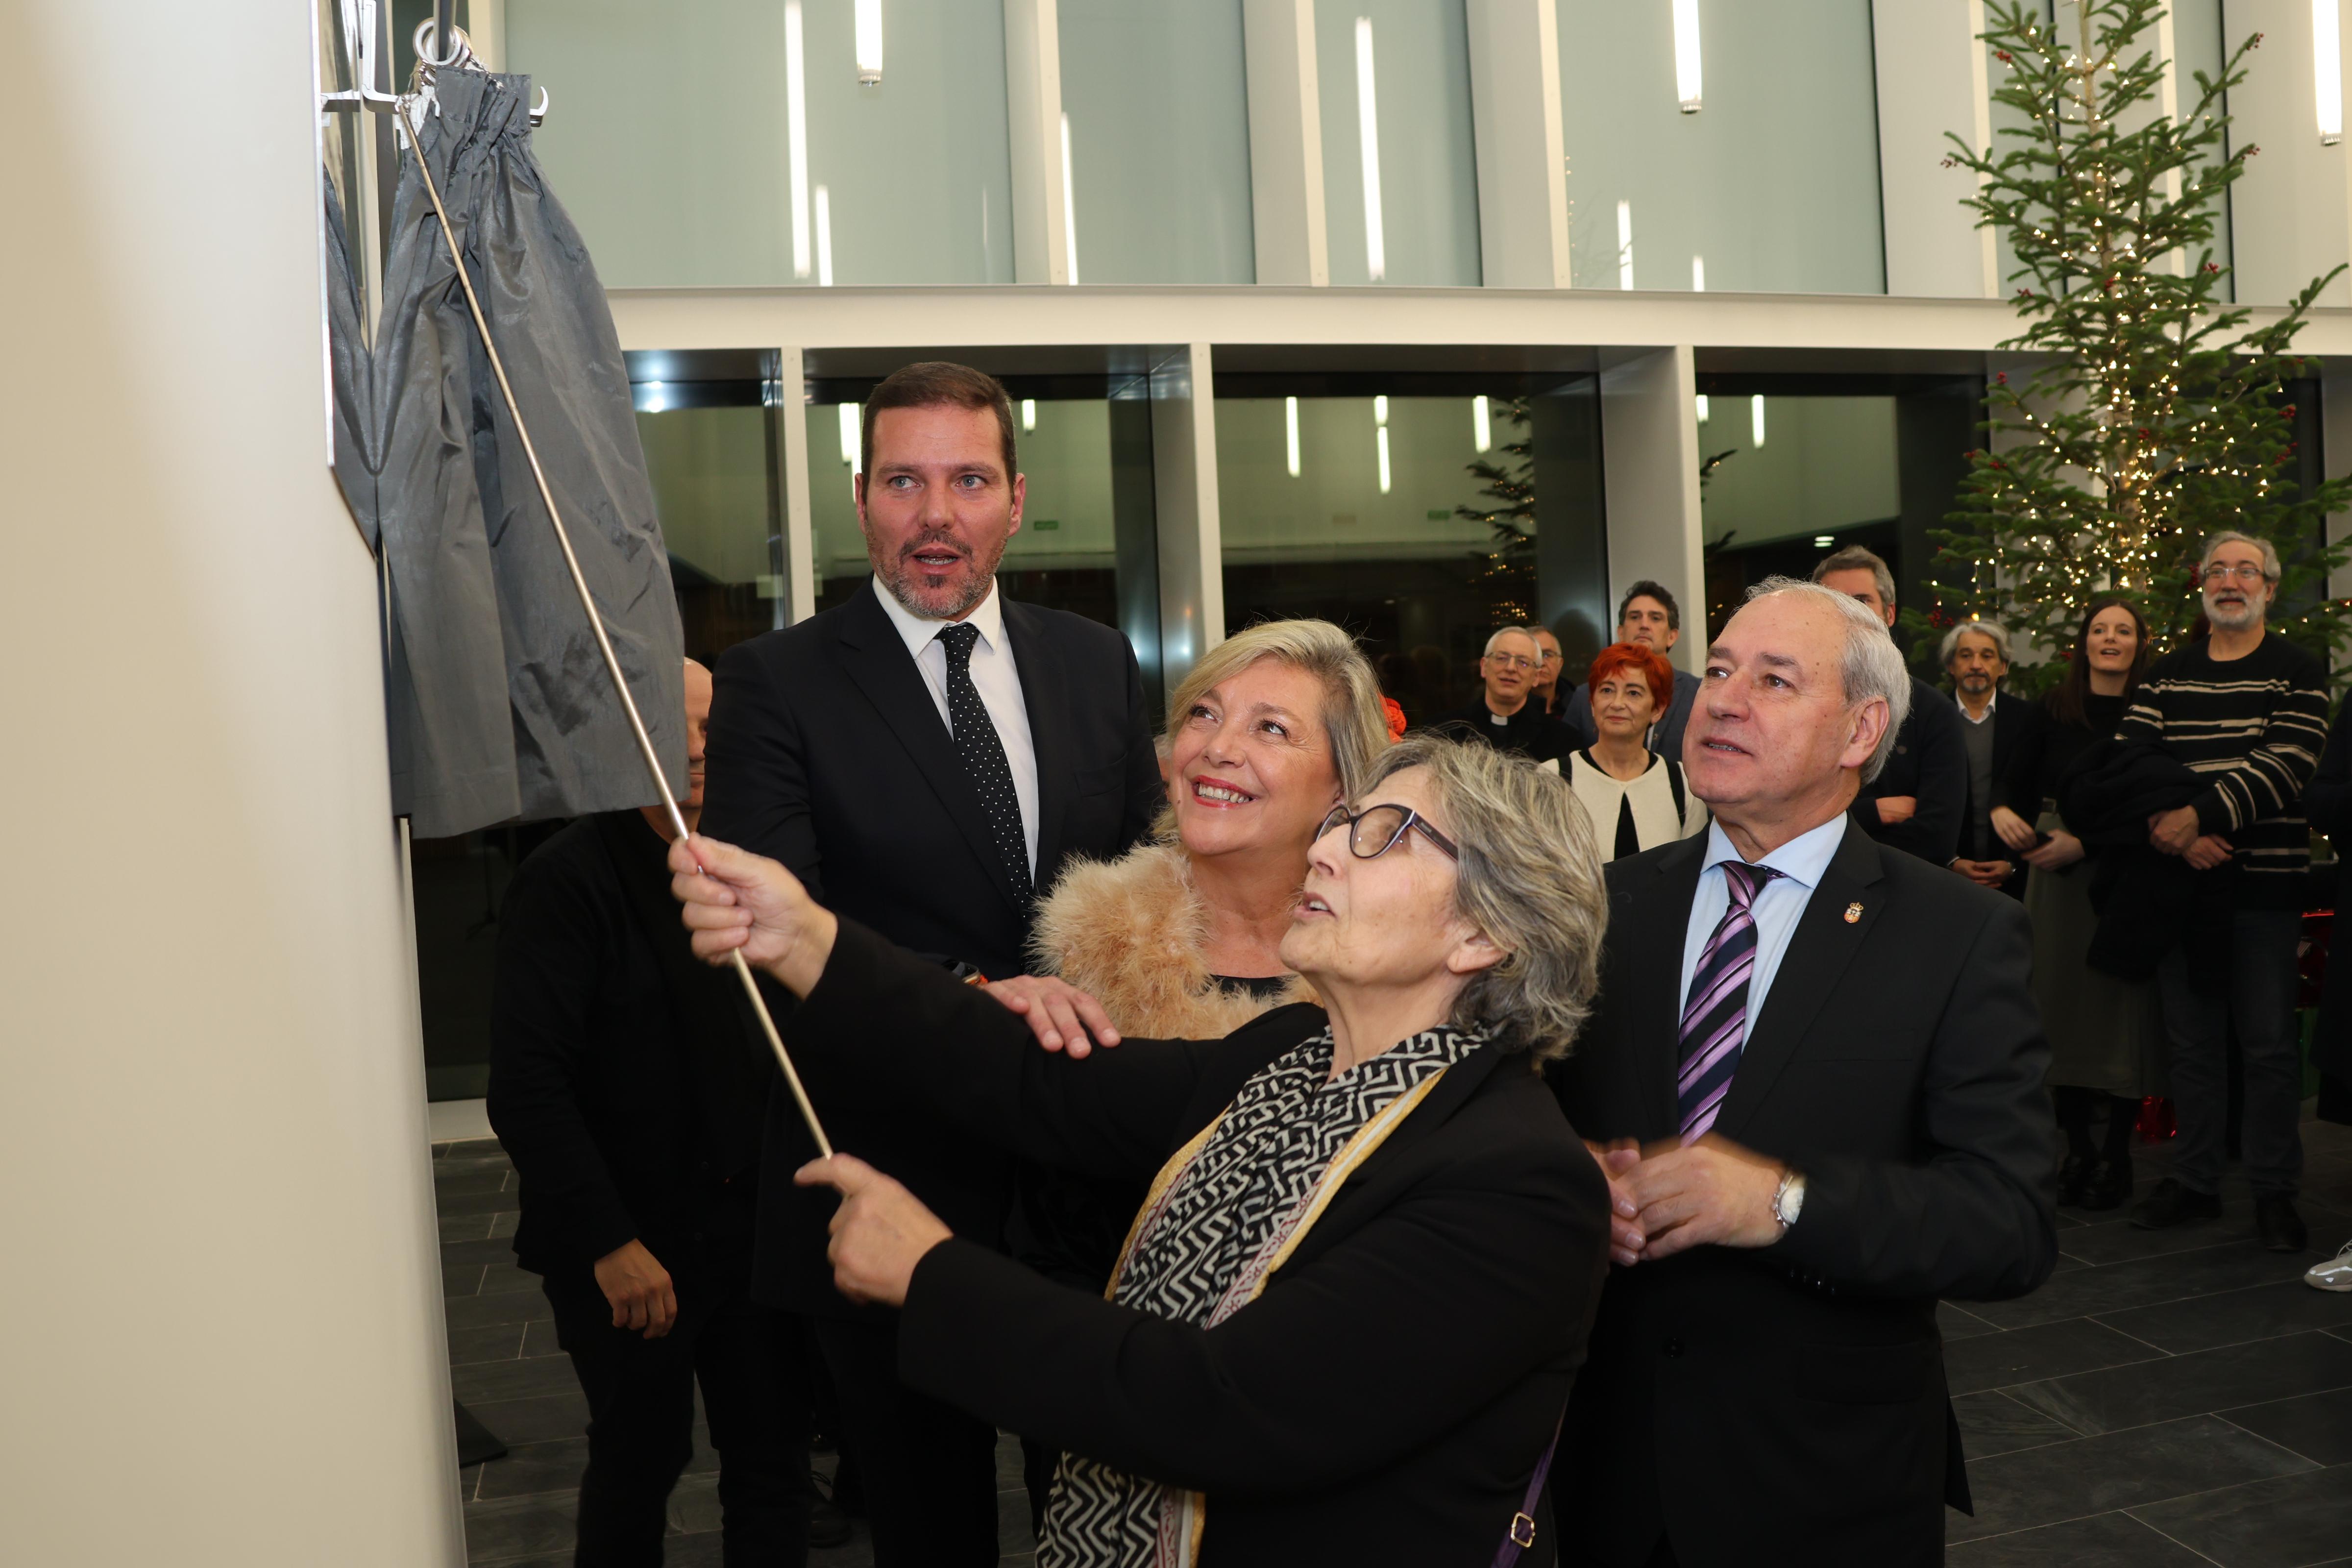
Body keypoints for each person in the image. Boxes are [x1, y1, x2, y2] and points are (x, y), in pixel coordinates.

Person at [669, 736, 1613, 1566]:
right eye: (1341, 821)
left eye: (1384, 834)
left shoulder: (1518, 1183)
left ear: (1484, 934)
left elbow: (1225, 1407)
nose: (1326, 848)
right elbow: (1041, 1086)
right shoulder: (1288, 1057)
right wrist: (803, 938)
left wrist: (933, 1276)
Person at [698, 361, 1165, 1565]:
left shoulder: (1094, 663)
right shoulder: (775, 684)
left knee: (1110, 1519)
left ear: (1017, 498)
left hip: (1082, 1186)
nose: (935, 515)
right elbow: (770, 939)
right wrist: (968, 1000)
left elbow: (1145, 888)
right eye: (904, 481)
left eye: (966, 480)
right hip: (891, 1176)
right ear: (858, 498)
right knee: (928, 1531)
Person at [1547, 577, 2057, 1567]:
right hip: (1606, 1470)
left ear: (1862, 730)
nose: (1722, 700)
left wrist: (1782, 1201)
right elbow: (1524, 1118)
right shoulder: (1600, 908)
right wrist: (1570, 1177)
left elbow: (2009, 1223)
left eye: (1775, 680)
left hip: (1823, 1482)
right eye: (1724, 670)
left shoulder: (1959, 935)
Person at [983, 617, 1392, 1526]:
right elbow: (1044, 1225)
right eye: (1204, 714)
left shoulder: (1397, 966)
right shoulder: (1090, 944)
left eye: (1270, 729)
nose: (1218, 747)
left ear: (1346, 780)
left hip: (1327, 1429)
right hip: (1107, 1409)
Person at [488, 659, 819, 1567]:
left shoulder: (760, 860)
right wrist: (609, 1243)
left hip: (752, 1228)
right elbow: (526, 1086)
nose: (702, 746)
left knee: (774, 1461)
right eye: (679, 725)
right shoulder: (567, 881)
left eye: (716, 724)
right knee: (643, 1458)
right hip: (631, 1245)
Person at [2120, 532, 2328, 1253]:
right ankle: (2197, 1183)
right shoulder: (2166, 677)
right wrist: (2171, 826)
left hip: (2263, 890)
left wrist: (2196, 817)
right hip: (2184, 889)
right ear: (2201, 585)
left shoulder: (2299, 671)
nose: (2232, 580)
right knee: (2193, 1045)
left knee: (2269, 1048)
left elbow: (2286, 765)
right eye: (2219, 569)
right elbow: (2135, 760)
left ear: (2271, 588)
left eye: (2247, 571)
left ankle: (2275, 1193)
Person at [2000, 599, 2166, 1211]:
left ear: (2140, 643)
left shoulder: (2151, 707)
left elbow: (2158, 792)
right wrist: (2001, 814)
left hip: (2122, 863)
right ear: (2084, 640)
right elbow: (2009, 784)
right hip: (2053, 873)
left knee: (2119, 1011)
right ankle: (2078, 1151)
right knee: (2058, 1002)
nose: (2110, 638)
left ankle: (2116, 1155)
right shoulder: (2053, 707)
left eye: (2123, 630)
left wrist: (2088, 842)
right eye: (2100, 628)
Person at [1813, 545, 1968, 866]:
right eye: (1834, 602)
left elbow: (1938, 839)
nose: (1849, 614)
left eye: (1861, 601)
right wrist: (1875, 812)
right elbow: (1784, 817)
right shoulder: (1796, 705)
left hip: (1909, 899)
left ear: (1890, 614)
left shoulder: (1933, 711)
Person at [1564, 641, 1707, 863]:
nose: (1617, 703)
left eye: (1633, 693)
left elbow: (1689, 873)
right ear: (1592, 703)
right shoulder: (1553, 778)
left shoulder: (1682, 783)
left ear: (1657, 710)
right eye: (1607, 690)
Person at [1942, 619, 2043, 899]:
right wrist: (1951, 861)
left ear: (2004, 667)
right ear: (1951, 666)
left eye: (1987, 656)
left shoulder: (2029, 720)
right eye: (1966, 655)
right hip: (1946, 877)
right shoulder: (1933, 719)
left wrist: (2013, 862)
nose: (1976, 664)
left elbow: (2035, 794)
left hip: (2015, 877)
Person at [1563, 581, 1703, 760]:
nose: (1644, 625)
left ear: (1672, 636)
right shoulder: (1585, 696)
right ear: (1621, 633)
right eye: (1635, 617)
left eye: (1655, 618)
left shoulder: (1697, 693)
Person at [1430, 626, 1573, 764]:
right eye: (1501, 658)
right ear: (1484, 667)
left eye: (1523, 663)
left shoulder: (1563, 740)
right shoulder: (1442, 732)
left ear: (1536, 677)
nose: (1511, 668)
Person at [1528, 624, 1570, 718]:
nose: (1541, 663)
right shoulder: (1511, 706)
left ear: (1560, 664)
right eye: (1534, 655)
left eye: (1547, 655)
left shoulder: (1578, 705)